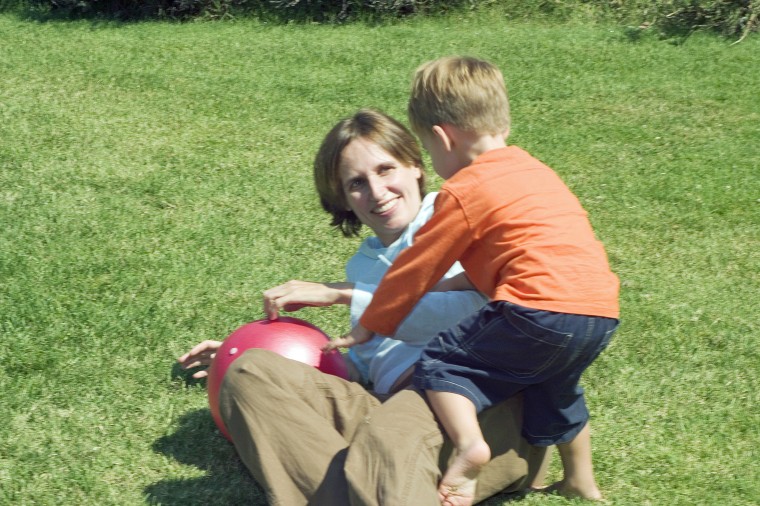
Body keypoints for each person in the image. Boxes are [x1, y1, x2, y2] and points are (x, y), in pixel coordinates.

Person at [177, 108, 549, 505]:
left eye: (386, 169)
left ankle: (375, 483)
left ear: (415, 167)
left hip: (470, 406)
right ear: (343, 198)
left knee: (385, 445)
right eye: (357, 183)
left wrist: (347, 294)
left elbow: (473, 314)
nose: (376, 191)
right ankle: (369, 488)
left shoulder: (455, 216)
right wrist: (262, 351)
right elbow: (370, 363)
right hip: (390, 409)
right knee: (249, 373)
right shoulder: (365, 263)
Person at [325, 57, 620, 505]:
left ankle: (470, 446)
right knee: (555, 387)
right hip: (598, 310)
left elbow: (416, 266)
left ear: (442, 138)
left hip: (535, 310)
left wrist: (371, 323)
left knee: (444, 365)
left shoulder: (465, 190)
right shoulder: (535, 172)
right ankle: (579, 480)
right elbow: (515, 256)